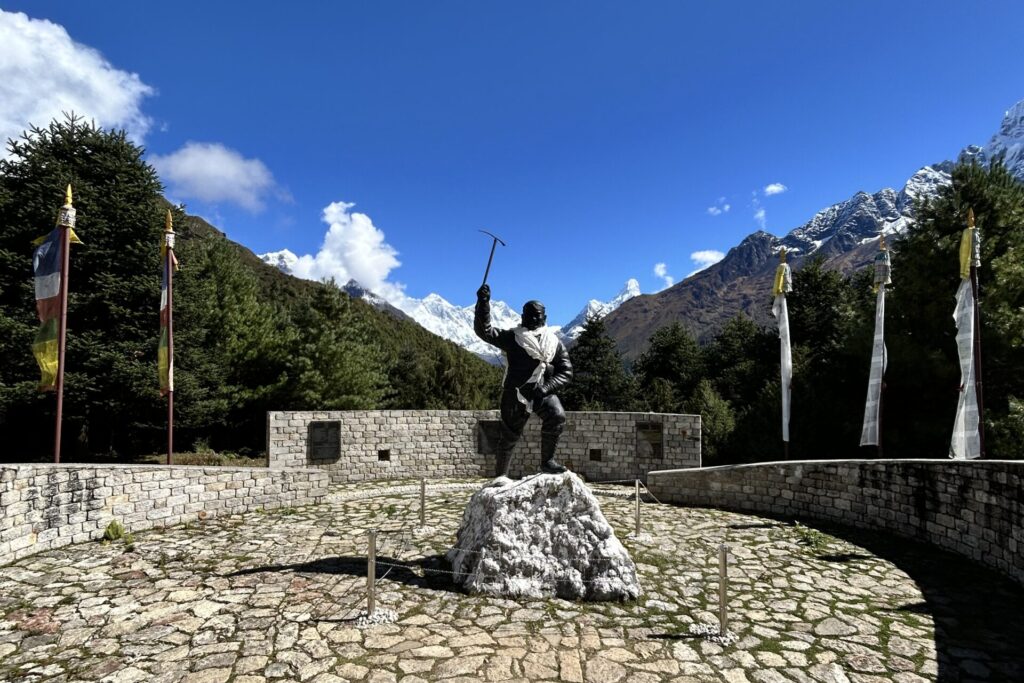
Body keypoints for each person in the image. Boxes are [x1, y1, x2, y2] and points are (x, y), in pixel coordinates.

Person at [475, 284, 573, 477]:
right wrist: (483, 303)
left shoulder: (554, 343)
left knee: (557, 416)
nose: (535, 318)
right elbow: (484, 331)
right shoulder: (513, 338)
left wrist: (546, 388)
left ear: (545, 318)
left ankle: (547, 462)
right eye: (530, 314)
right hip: (516, 393)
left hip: (543, 391)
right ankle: (500, 476)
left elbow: (566, 371)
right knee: (510, 435)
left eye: (538, 315)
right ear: (522, 317)